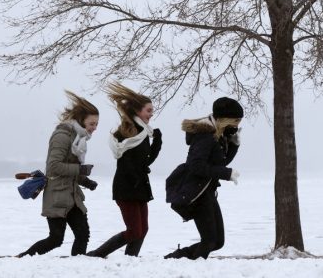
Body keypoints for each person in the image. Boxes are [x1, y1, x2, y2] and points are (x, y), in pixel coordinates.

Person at [16, 90, 99, 258]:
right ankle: (23, 258)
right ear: (81, 120)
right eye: (92, 123)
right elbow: (54, 167)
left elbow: (70, 168)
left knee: (83, 234)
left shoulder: (79, 139)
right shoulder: (62, 136)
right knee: (56, 239)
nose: (94, 128)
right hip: (57, 196)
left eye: (96, 124)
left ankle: (78, 266)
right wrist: (79, 170)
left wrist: (85, 181)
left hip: (73, 196)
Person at [86, 83, 162, 258]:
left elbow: (146, 161)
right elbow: (125, 161)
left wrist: (157, 142)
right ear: (137, 111)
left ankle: (130, 260)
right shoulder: (125, 132)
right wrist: (134, 176)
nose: (151, 114)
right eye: (148, 111)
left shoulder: (143, 133)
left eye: (152, 111)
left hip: (140, 185)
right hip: (126, 186)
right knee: (134, 230)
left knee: (143, 229)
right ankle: (97, 254)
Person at [164, 97, 243, 260]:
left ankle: (178, 257)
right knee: (209, 241)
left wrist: (234, 145)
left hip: (207, 191)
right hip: (197, 192)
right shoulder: (205, 136)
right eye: (236, 120)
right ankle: (182, 263)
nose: (237, 125)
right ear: (224, 119)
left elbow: (221, 162)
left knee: (218, 242)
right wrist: (226, 174)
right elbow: (196, 166)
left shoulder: (218, 135)